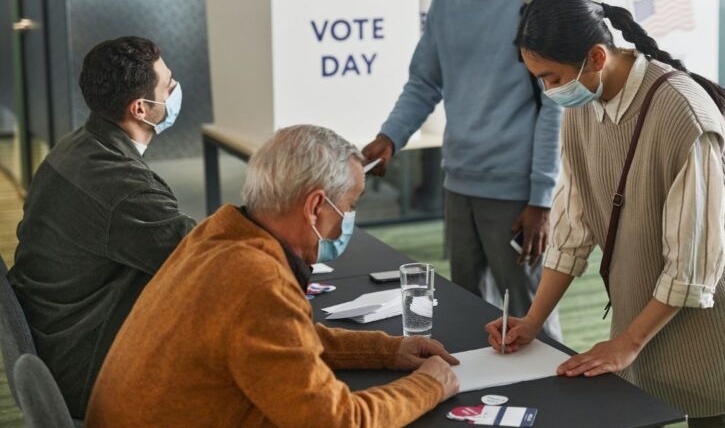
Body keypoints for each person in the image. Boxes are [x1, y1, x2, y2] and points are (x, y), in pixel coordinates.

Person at [486, 0, 725, 427]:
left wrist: (627, 342)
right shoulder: (583, 102)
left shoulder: (683, 113)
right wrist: (532, 321)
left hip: (712, 317)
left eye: (551, 78)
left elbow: (693, 268)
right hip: (646, 307)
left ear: (596, 57)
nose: (549, 92)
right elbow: (572, 228)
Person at [86, 125, 460, 427]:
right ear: (315, 206)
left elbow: (286, 340)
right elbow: (337, 422)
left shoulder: (217, 233)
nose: (346, 222)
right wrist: (428, 385)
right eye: (349, 207)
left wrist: (387, 351)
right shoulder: (258, 281)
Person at [363, 0, 564, 339]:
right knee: (468, 310)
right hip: (460, 183)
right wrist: (391, 137)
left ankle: (555, 402)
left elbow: (555, 104)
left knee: (533, 317)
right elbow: (424, 83)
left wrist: (541, 199)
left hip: (516, 192)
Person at [8, 36, 194, 418]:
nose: (175, 90)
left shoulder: (76, 146)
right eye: (168, 84)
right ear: (141, 109)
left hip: (58, 338)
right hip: (89, 369)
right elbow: (207, 258)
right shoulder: (125, 189)